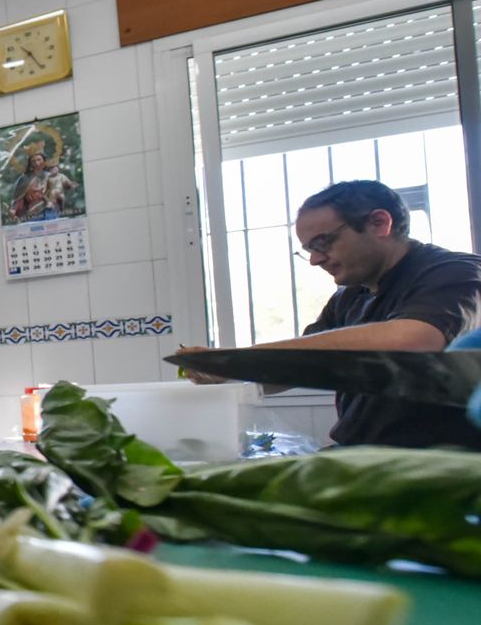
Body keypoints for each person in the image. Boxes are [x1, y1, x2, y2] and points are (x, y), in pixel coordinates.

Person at [180, 180, 481, 450]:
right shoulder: (348, 297)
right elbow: (302, 365)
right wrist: (227, 373)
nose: (314, 260)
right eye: (308, 249)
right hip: (362, 455)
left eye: (322, 243)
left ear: (379, 223)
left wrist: (238, 358)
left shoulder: (456, 273)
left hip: (434, 465)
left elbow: (413, 340)